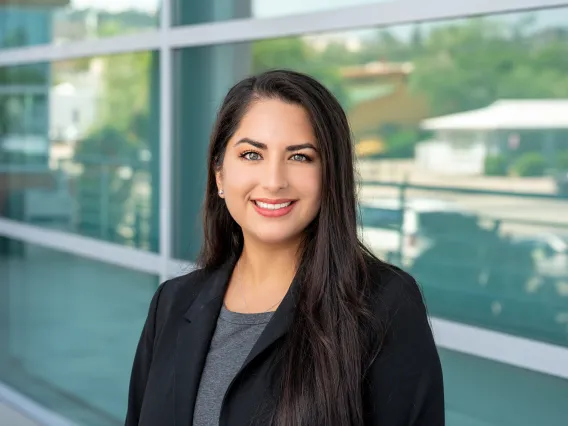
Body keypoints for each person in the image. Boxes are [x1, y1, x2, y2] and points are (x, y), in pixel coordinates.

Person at [125, 69, 444, 426]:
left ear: (330, 177)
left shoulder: (384, 304)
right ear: (219, 175)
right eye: (251, 155)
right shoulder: (172, 303)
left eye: (300, 157)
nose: (274, 181)